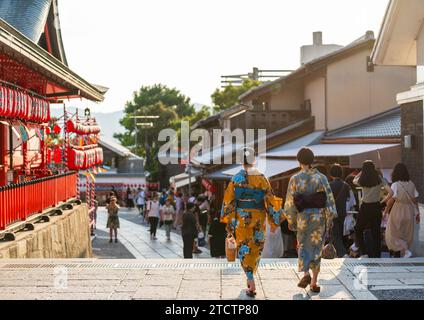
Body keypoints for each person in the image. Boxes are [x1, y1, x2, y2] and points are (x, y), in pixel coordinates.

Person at [221, 147, 284, 298]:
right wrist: (274, 219)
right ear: (254, 160)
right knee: (256, 246)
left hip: (241, 218)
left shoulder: (235, 179)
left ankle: (249, 278)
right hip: (258, 217)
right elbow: (270, 199)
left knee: (243, 246)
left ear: (240, 161)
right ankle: (251, 278)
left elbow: (228, 202)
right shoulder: (262, 178)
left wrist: (229, 222)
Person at [284, 148, 337, 293]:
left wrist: (291, 219)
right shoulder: (321, 178)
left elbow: (290, 203)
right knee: (316, 249)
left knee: (302, 246)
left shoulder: (295, 178)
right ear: (312, 160)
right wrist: (330, 217)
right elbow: (329, 200)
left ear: (299, 161)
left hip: (303, 218)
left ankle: (306, 273)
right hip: (319, 218)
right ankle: (314, 283)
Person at [353, 160, 393, 258]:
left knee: (358, 229)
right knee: (376, 232)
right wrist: (382, 201)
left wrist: (361, 172)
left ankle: (364, 253)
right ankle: (377, 256)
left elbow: (354, 180)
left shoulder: (362, 179)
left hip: (365, 207)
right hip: (376, 206)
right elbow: (391, 192)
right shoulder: (379, 178)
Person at [384, 163, 420, 258]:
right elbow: (415, 200)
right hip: (409, 210)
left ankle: (405, 251)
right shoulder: (411, 184)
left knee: (393, 233)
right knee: (406, 234)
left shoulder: (395, 185)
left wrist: (385, 211)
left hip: (398, 210)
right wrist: (418, 213)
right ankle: (404, 253)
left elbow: (391, 200)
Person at [329, 164, 352, 258]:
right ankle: (342, 252)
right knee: (342, 234)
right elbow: (350, 200)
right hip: (343, 212)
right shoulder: (346, 185)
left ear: (331, 173)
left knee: (336, 234)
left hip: (333, 213)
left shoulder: (329, 185)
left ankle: (343, 253)